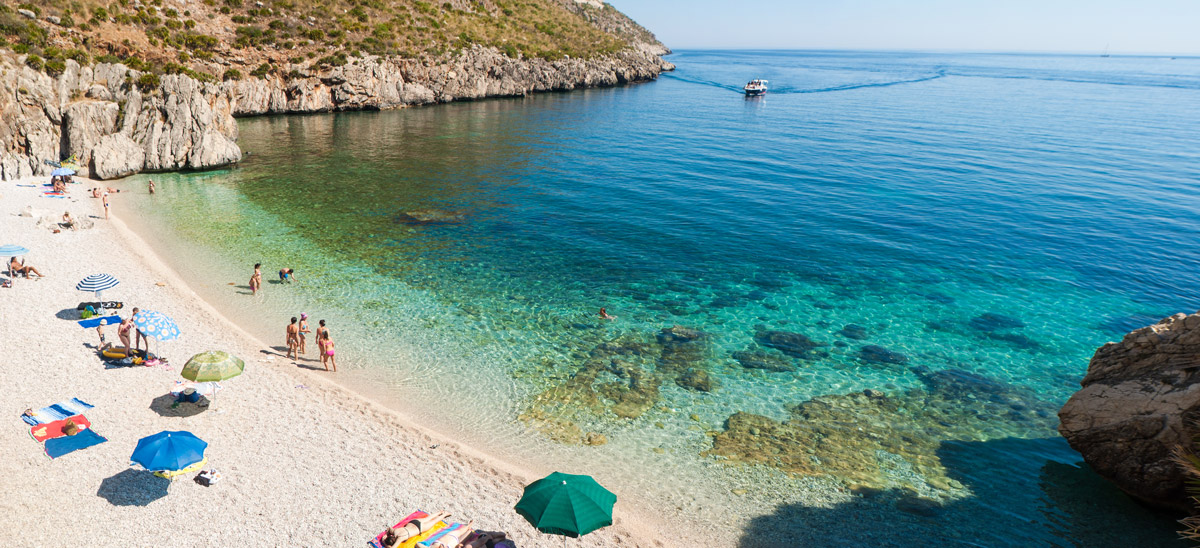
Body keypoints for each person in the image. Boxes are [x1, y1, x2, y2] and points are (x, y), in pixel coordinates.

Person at [383, 511, 451, 548]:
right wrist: (385, 535)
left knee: (433, 522)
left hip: (419, 528)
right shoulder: (395, 531)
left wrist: (384, 543)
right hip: (413, 522)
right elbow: (389, 528)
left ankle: (444, 514)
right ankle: (440, 512)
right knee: (428, 518)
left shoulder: (400, 538)